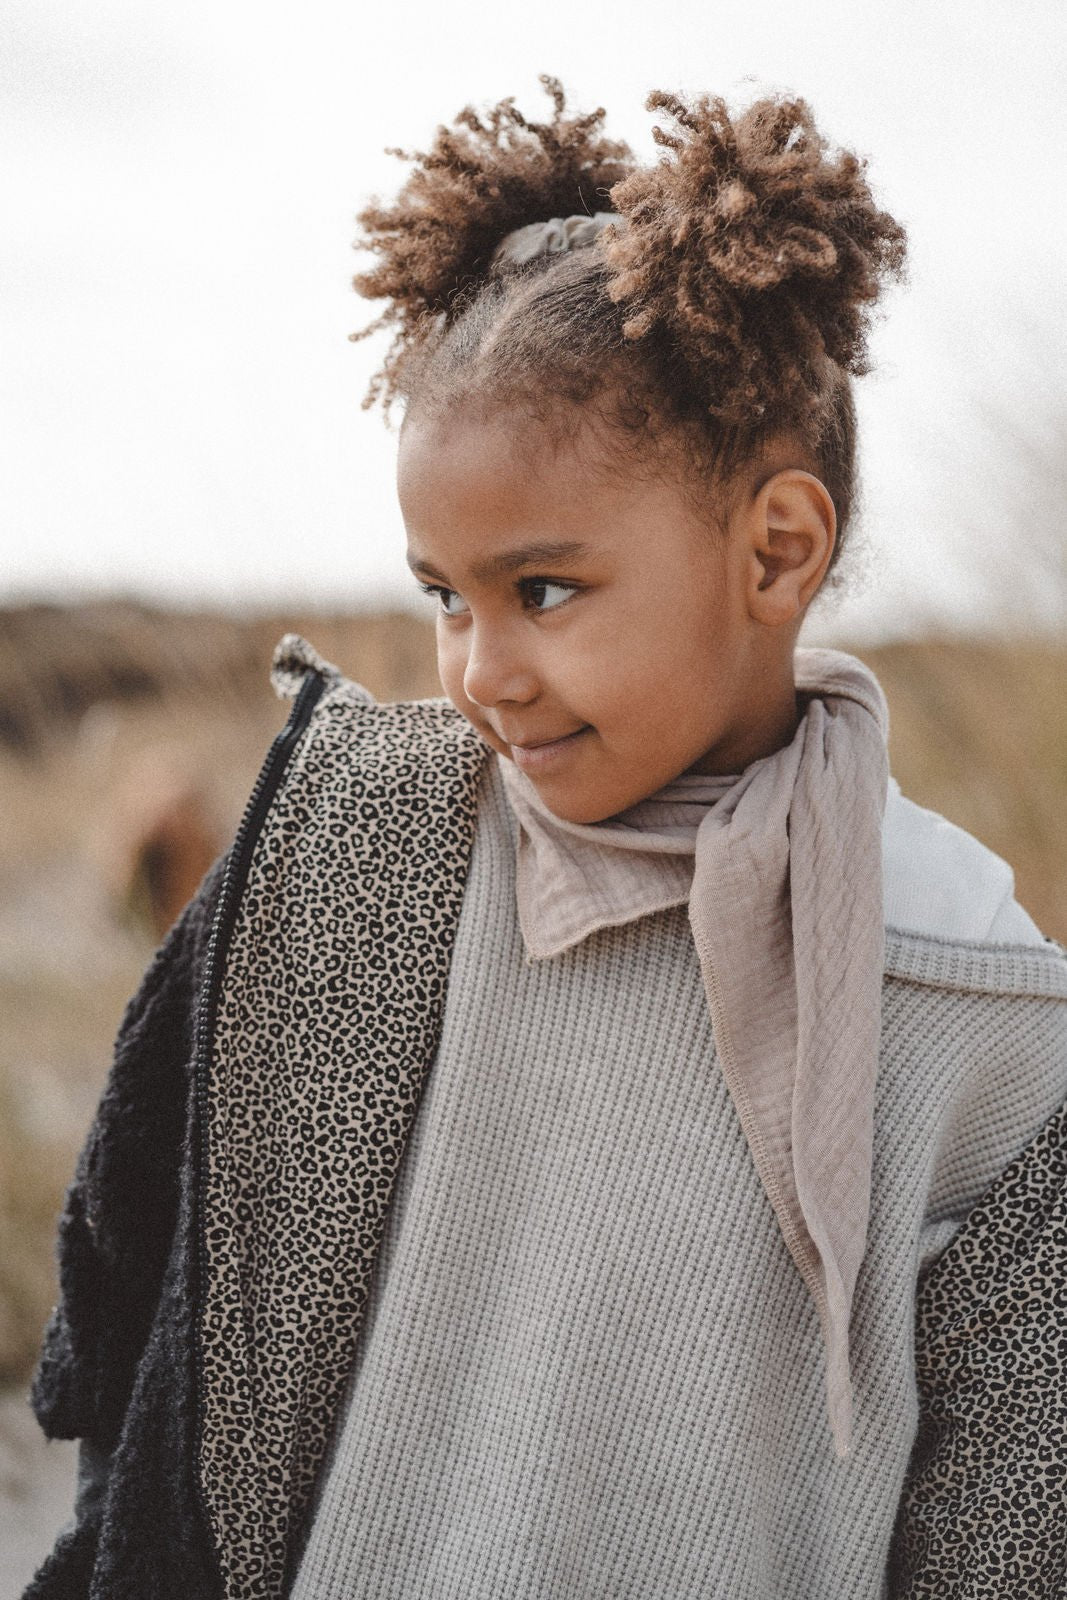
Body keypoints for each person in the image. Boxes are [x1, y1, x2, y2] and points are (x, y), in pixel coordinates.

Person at [23, 78, 1067, 1600]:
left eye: (546, 592)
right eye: (446, 594)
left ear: (776, 549)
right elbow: (149, 1299)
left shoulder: (979, 999)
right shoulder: (357, 857)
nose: (480, 672)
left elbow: (1011, 1519)